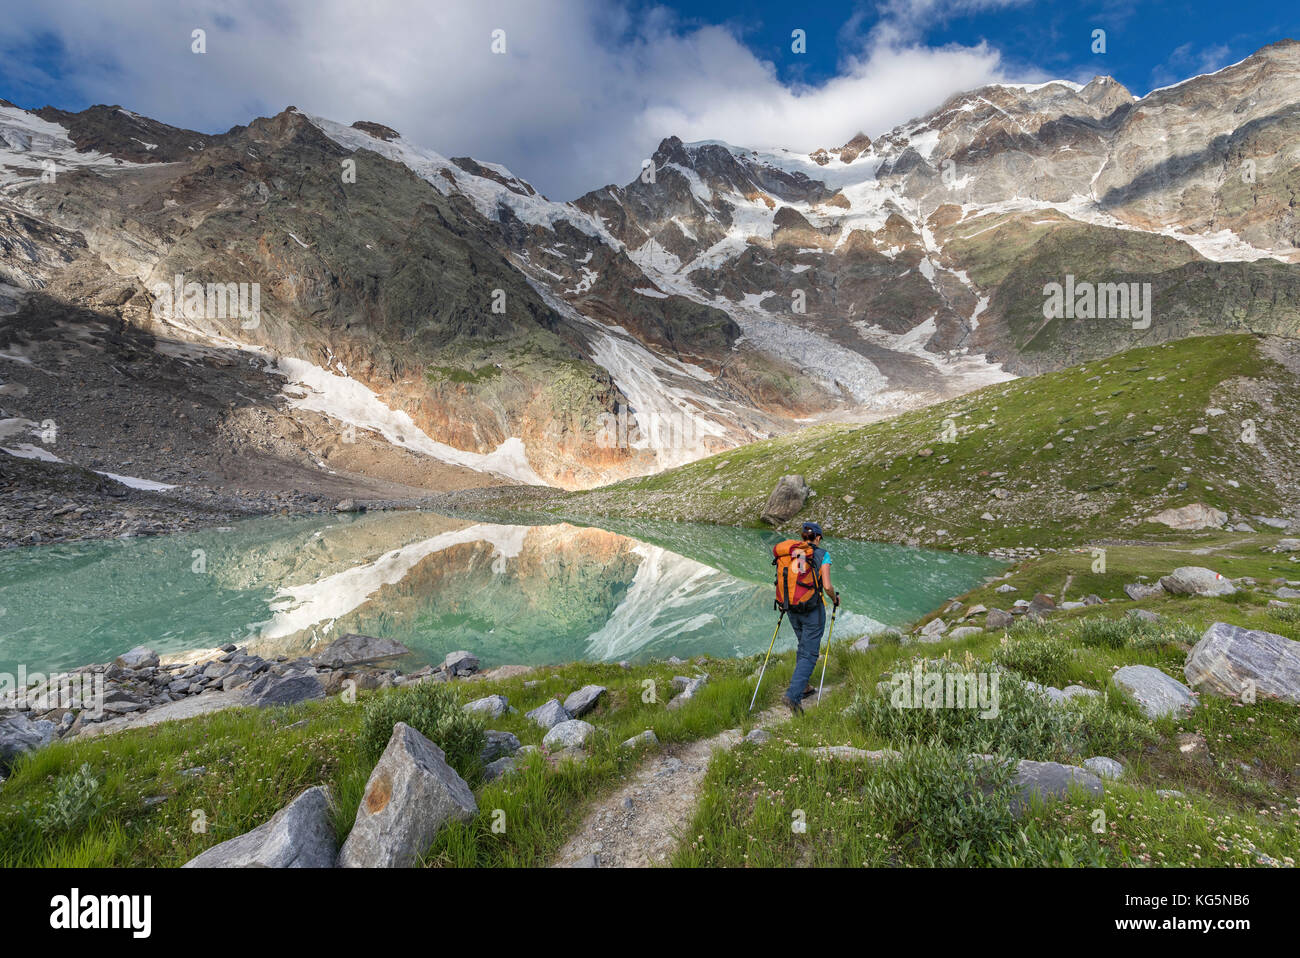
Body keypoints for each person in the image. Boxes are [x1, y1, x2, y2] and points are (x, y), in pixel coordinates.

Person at [783, 521, 838, 714]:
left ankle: (804, 687)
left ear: (802, 536)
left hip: (791, 608)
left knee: (803, 645)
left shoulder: (792, 552)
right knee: (809, 653)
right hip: (812, 609)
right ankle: (793, 696)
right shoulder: (822, 555)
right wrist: (835, 598)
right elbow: (828, 586)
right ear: (818, 537)